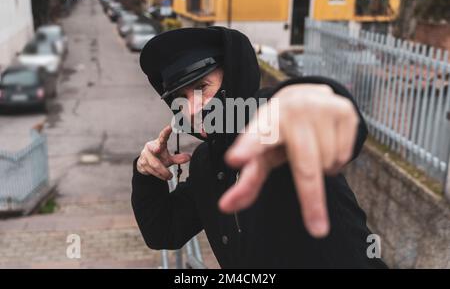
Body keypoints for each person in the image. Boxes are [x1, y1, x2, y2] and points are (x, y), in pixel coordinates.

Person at [132, 27, 387, 268]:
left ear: (233, 77)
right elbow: (164, 232)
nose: (194, 108)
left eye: (202, 87)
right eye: (182, 98)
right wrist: (146, 175)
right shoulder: (204, 163)